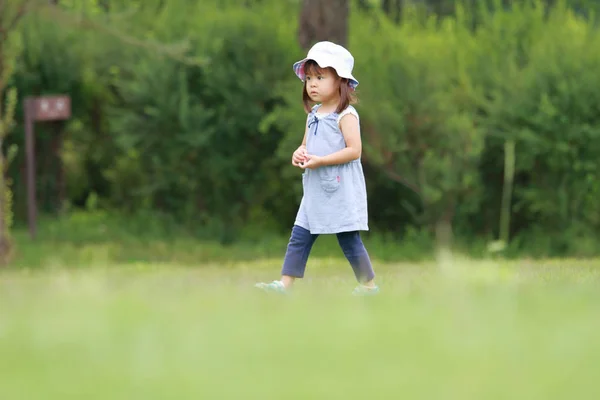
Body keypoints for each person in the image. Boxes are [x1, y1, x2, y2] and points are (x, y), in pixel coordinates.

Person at [255, 41, 379, 296]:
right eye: (309, 78)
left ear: (340, 81)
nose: (312, 83)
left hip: (340, 188)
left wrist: (321, 161)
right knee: (299, 236)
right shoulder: (313, 114)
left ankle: (369, 286)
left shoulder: (346, 115)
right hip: (314, 190)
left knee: (348, 240)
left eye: (320, 77)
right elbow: (306, 145)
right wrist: (299, 153)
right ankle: (284, 285)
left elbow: (354, 150)